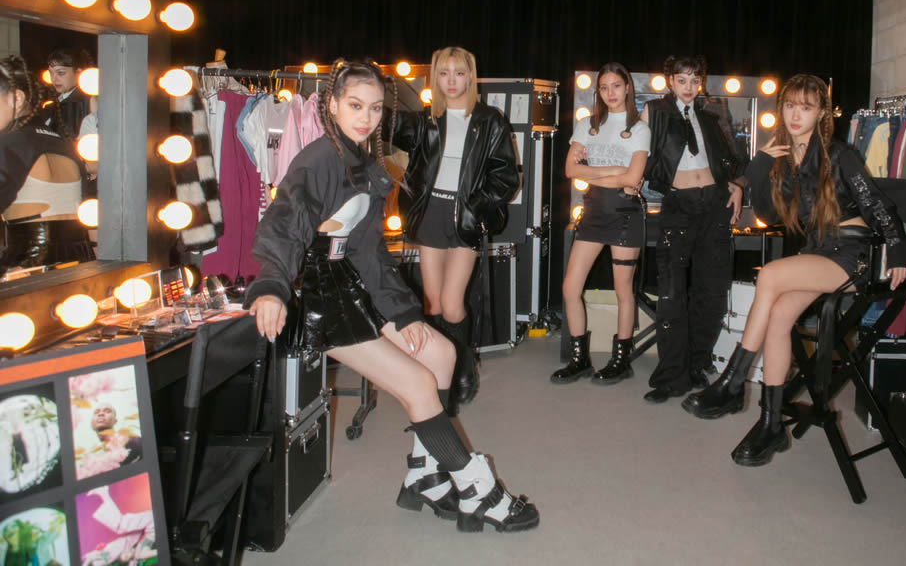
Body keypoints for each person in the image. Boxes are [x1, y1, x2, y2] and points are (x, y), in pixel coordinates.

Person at [247, 59, 537, 533]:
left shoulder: (363, 163)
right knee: (419, 384)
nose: (366, 117)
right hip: (318, 301)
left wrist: (404, 314)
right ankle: (479, 489)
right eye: (355, 105)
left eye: (376, 108)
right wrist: (271, 287)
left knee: (441, 353)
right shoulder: (319, 160)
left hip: (351, 288)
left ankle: (425, 476)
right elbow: (284, 226)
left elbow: (369, 253)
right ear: (332, 105)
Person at [681, 74, 906, 466]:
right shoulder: (784, 161)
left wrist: (900, 252)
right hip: (818, 253)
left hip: (852, 254)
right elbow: (769, 215)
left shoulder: (839, 155)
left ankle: (733, 383)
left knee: (770, 275)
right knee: (778, 317)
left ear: (821, 113)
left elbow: (877, 205)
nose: (795, 114)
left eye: (806, 107)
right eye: (789, 105)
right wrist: (761, 163)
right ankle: (771, 426)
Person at [391, 46, 520, 410]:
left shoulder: (490, 120)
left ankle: (463, 368)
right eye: (444, 73)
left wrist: (475, 205)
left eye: (459, 73)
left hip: (465, 216)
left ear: (470, 76)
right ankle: (438, 371)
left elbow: (505, 178)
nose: (451, 81)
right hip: (430, 213)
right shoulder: (426, 120)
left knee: (451, 303)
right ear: (435, 76)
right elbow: (383, 123)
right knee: (431, 301)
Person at [639, 55, 745, 404]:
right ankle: (672, 376)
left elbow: (731, 161)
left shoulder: (711, 115)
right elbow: (637, 153)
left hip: (714, 205)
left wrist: (737, 186)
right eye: (681, 80)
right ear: (670, 81)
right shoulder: (654, 112)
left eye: (694, 80)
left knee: (711, 293)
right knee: (671, 294)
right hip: (678, 207)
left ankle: (697, 363)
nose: (688, 87)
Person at [553, 63, 650, 385]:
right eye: (604, 87)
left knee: (623, 290)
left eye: (616, 86)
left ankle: (620, 360)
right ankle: (579, 359)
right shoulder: (587, 125)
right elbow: (570, 171)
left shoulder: (639, 129)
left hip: (625, 214)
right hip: (593, 212)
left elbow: (634, 179)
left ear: (627, 88)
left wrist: (596, 173)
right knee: (570, 288)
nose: (610, 93)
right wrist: (616, 172)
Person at [0, 55, 90, 274]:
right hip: (81, 263)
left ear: (17, 98)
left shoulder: (8, 143)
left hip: (28, 269)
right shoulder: (63, 142)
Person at [44, 49, 93, 139]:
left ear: (78, 73)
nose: (53, 79)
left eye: (61, 73)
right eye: (50, 73)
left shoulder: (84, 102)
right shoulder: (57, 102)